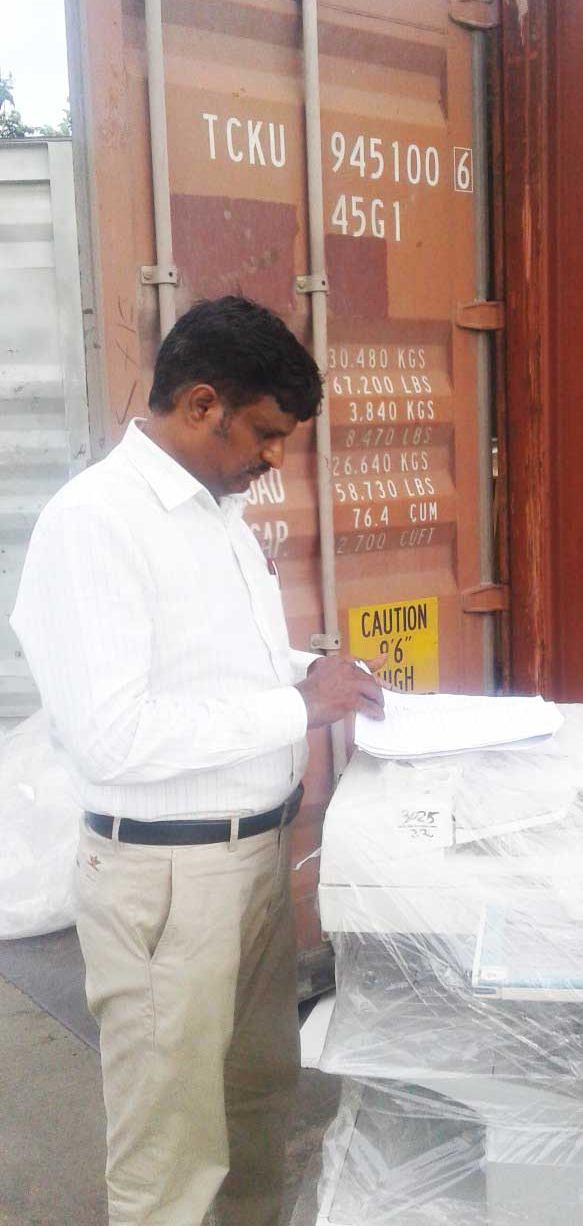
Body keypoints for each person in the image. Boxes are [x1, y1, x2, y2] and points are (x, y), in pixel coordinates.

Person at [10, 296, 385, 1226]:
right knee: (171, 1145)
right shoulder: (96, 523)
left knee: (257, 1101)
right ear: (201, 403)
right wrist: (297, 708)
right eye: (265, 434)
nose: (275, 459)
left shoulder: (216, 511)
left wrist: (309, 674)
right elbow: (113, 734)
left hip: (251, 863)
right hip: (167, 881)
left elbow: (212, 668)